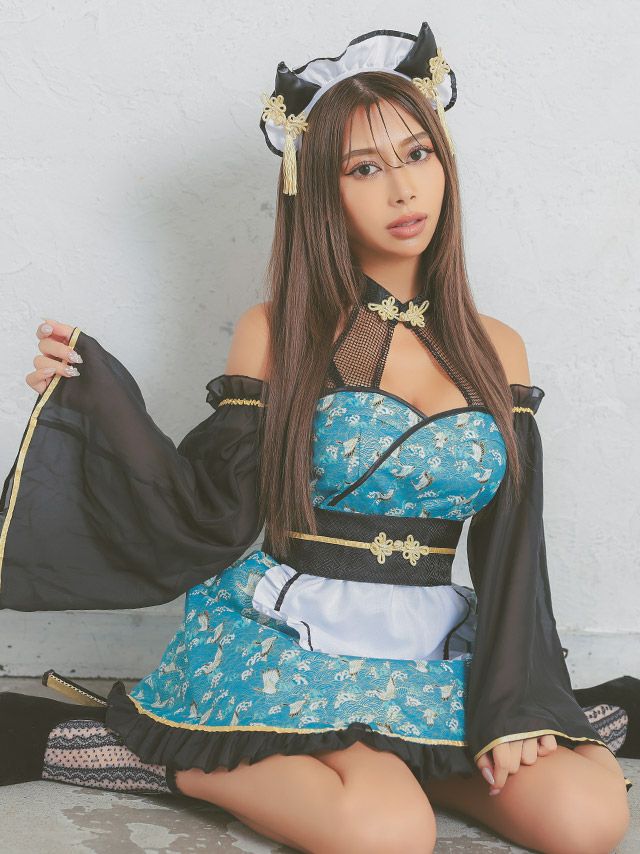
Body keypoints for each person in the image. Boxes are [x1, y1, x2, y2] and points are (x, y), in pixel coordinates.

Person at [0, 20, 635, 854]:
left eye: (417, 154)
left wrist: (520, 697)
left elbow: (515, 541)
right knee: (388, 836)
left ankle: (398, 756)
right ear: (320, 191)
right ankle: (165, 756)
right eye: (364, 168)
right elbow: (209, 505)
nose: (402, 189)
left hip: (434, 645)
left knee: (587, 818)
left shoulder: (498, 347)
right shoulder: (278, 331)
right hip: (292, 635)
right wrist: (96, 396)